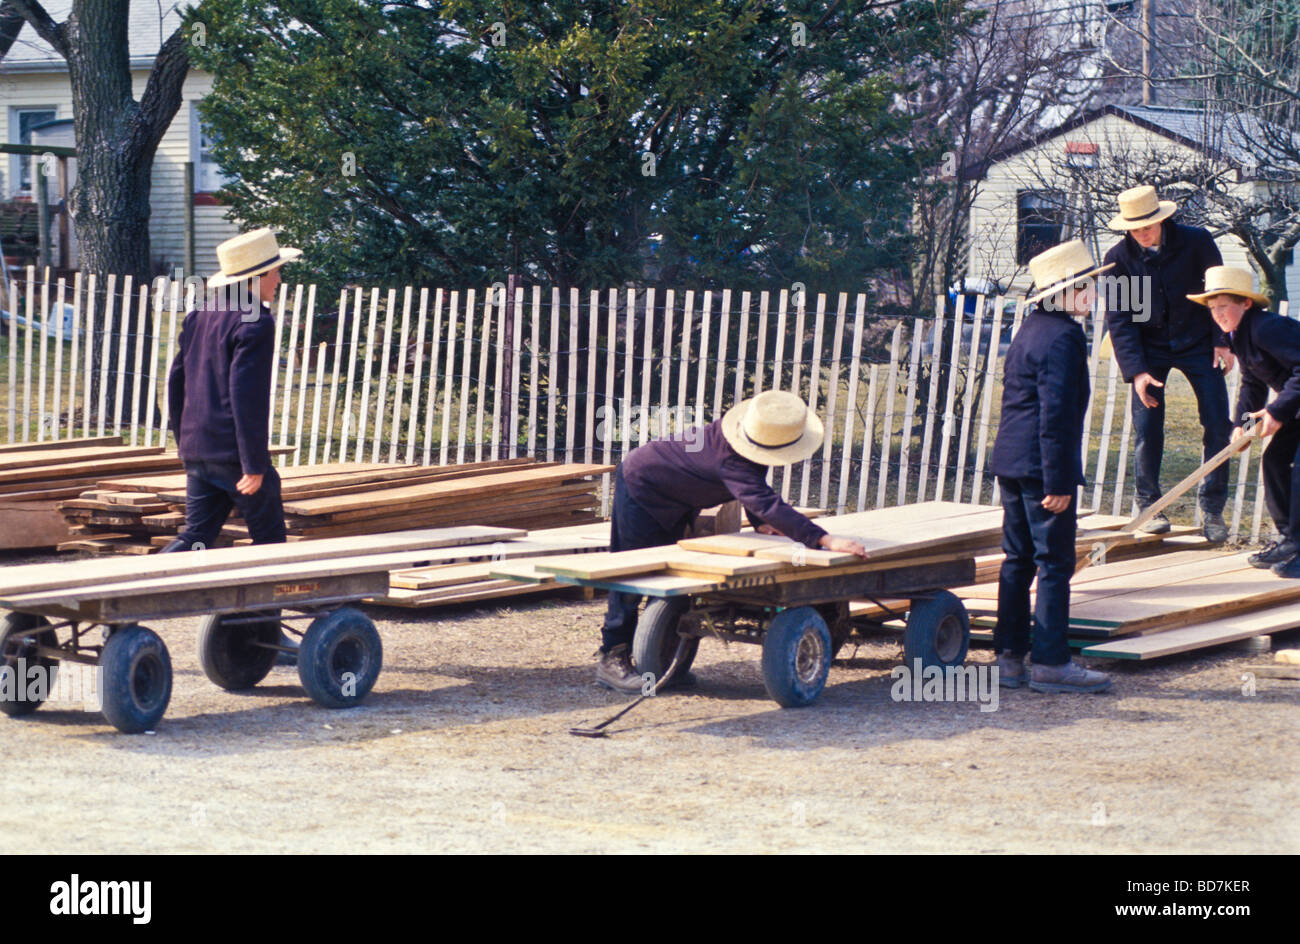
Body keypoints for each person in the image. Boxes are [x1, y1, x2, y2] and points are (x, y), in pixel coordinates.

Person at [596, 390, 868, 692]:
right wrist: (823, 539)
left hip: (674, 496)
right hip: (641, 485)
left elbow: (754, 485)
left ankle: (663, 665)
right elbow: (762, 498)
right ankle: (612, 658)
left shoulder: (750, 439)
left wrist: (760, 523)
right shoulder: (730, 457)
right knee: (633, 575)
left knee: (672, 579)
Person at [991, 239, 1112, 693]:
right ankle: (1050, 663)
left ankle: (1008, 658)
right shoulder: (1063, 337)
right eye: (1085, 287)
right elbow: (1055, 414)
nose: (1092, 295)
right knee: (1054, 563)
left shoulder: (1030, 328)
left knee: (1017, 560)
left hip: (1013, 460)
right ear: (1062, 292)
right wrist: (1059, 479)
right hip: (1042, 466)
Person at [1102, 184, 1231, 542]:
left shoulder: (1197, 242)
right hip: (1149, 351)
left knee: (1218, 422)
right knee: (1147, 427)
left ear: (1162, 219)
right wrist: (1138, 372)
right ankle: (1149, 505)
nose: (1143, 233)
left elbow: (1217, 294)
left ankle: (1213, 508)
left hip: (1197, 342)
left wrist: (1222, 340)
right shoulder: (1118, 261)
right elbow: (1121, 320)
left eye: (1149, 225)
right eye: (1135, 228)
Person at [162, 228, 301, 554]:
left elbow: (176, 379)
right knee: (269, 542)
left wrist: (185, 442)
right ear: (257, 276)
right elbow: (245, 396)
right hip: (234, 457)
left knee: (195, 536)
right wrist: (253, 465)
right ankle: (259, 608)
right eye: (277, 271)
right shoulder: (256, 322)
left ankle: (129, 591)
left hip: (199, 450)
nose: (279, 280)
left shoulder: (201, 314)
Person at [1188, 267, 1300, 575]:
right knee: (1275, 461)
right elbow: (1253, 383)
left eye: (1224, 305)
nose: (1218, 314)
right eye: (1213, 309)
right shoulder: (1238, 335)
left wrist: (1276, 412)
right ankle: (1290, 542)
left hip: (1293, 404)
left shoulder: (1267, 328)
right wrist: (1243, 426)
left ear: (1246, 303)